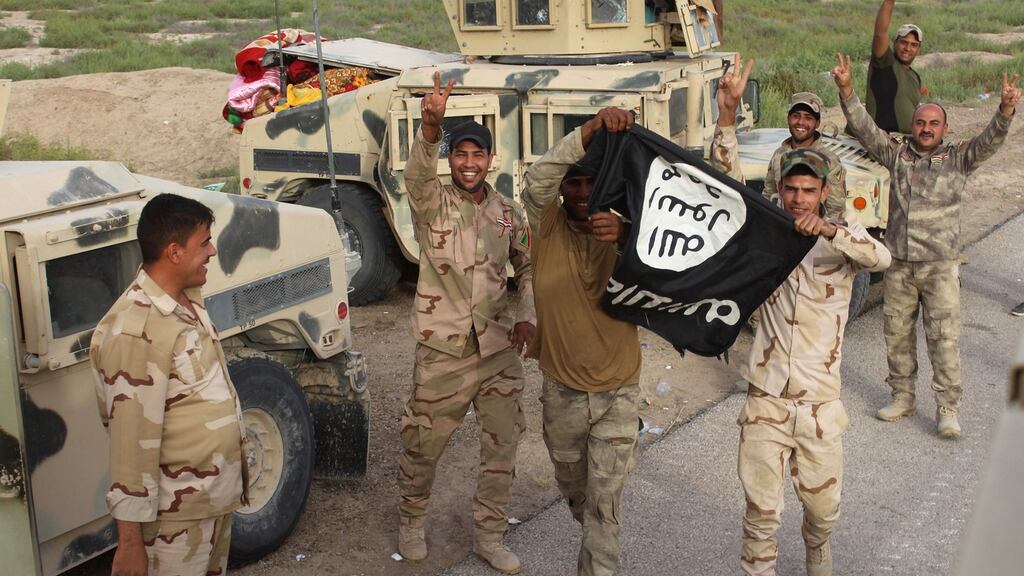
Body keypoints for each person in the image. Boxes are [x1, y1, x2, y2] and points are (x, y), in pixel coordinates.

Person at [714, 54, 892, 576]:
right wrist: (726, 115)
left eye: (807, 190)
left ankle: (818, 549)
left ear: (823, 192)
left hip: (817, 405)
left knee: (822, 512)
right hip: (766, 398)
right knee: (762, 512)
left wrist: (833, 230)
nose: (796, 198)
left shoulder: (842, 245)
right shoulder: (765, 237)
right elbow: (723, 188)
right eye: (789, 189)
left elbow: (881, 257)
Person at [833, 52, 1020, 438]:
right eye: (920, 122)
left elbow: (991, 141)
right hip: (900, 265)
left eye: (934, 123)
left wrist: (1004, 111)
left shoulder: (959, 158)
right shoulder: (897, 156)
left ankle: (947, 408)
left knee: (944, 339)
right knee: (897, 334)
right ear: (913, 126)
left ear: (945, 128)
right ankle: (902, 397)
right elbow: (866, 129)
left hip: (939, 267)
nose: (926, 128)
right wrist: (847, 90)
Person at [396, 71, 536, 574]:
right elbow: (417, 174)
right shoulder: (432, 202)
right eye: (461, 154)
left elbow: (526, 265)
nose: (470, 163)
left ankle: (490, 535)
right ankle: (411, 521)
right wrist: (431, 127)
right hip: (444, 351)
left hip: (498, 351)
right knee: (423, 442)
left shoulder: (506, 213)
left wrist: (527, 315)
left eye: (478, 155)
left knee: (501, 447)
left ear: (490, 160)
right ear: (451, 159)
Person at [90, 194, 248, 576]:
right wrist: (130, 545)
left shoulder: (185, 299)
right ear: (174, 252)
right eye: (204, 242)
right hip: (173, 526)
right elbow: (130, 446)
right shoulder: (136, 330)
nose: (212, 251)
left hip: (209, 504)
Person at [520, 106, 638, 576]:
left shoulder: (629, 231)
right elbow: (538, 179)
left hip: (618, 394)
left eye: (592, 184)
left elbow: (666, 256)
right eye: (575, 184)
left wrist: (627, 234)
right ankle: (589, 531)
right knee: (576, 492)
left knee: (603, 509)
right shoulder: (546, 226)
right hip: (562, 392)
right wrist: (587, 131)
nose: (583, 193)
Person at [764, 92, 848, 218]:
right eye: (796, 116)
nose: (800, 122)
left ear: (817, 123)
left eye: (808, 118)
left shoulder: (828, 160)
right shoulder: (779, 154)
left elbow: (836, 210)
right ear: (788, 118)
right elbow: (768, 196)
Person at [866, 0, 923, 133]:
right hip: (880, 141)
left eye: (914, 45)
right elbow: (880, 33)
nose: (908, 48)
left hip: (906, 143)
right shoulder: (885, 64)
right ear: (895, 43)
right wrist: (889, 3)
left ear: (918, 50)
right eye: (904, 42)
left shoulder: (914, 76)